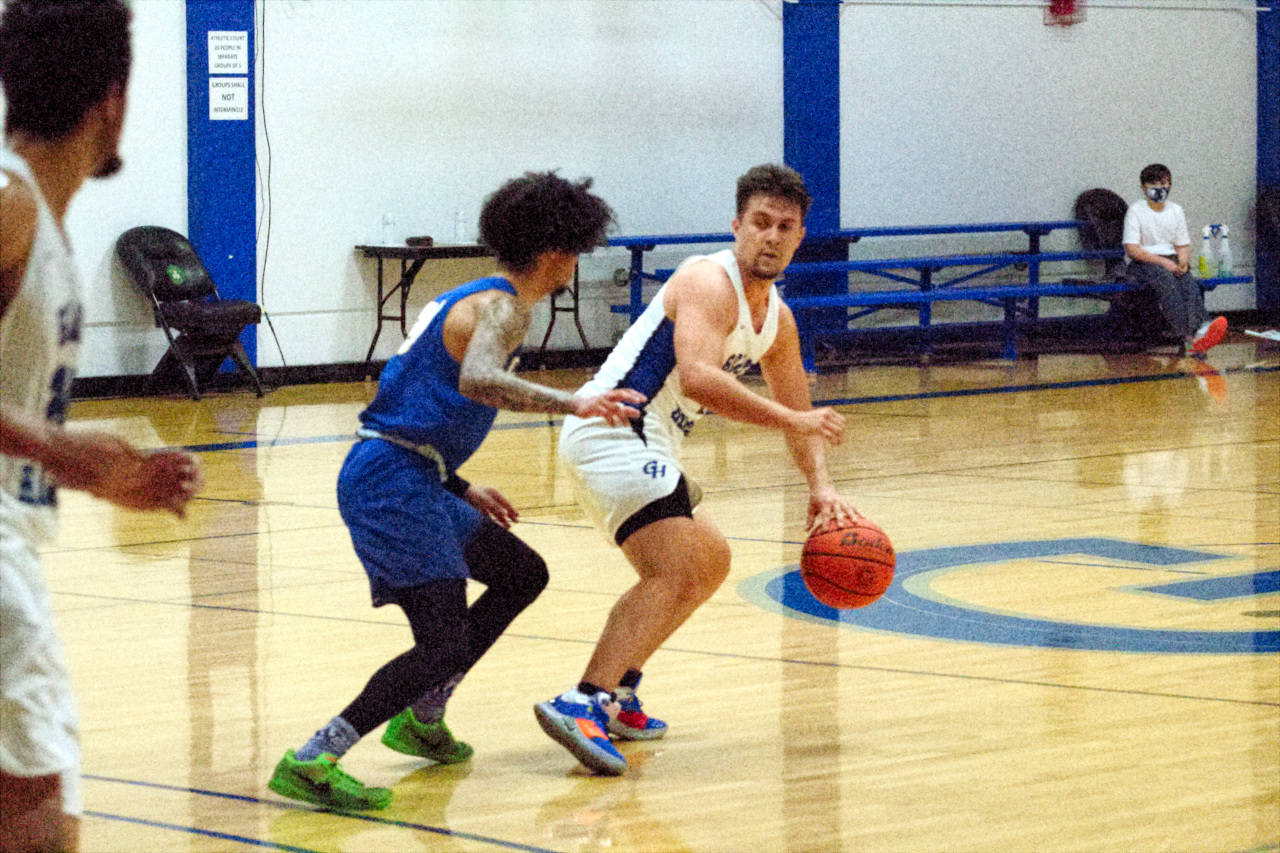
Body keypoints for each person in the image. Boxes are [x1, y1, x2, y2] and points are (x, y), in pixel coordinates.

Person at [267, 171, 645, 811]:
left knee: (521, 573)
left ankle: (423, 716)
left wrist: (457, 482)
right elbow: (478, 381)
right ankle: (315, 756)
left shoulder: (473, 298)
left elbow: (417, 396)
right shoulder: (501, 307)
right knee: (440, 642)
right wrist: (575, 403)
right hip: (391, 483)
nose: (577, 264)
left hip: (414, 472)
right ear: (558, 251)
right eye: (578, 250)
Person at [535, 163, 859, 776]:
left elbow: (799, 405)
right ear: (737, 226)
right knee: (681, 563)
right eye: (760, 222)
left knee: (706, 562)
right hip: (613, 431)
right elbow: (699, 377)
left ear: (799, 238)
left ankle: (619, 693)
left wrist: (821, 486)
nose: (771, 236)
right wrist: (793, 423)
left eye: (784, 227)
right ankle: (582, 700)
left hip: (643, 443)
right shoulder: (707, 280)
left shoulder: (778, 320)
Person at [0, 2, 203, 850]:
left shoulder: (38, 218)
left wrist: (98, 470)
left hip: (16, 530)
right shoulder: (9, 200)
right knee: (39, 814)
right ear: (112, 99)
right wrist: (61, 453)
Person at [1122, 163, 1227, 355]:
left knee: (1188, 284)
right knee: (1166, 282)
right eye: (1153, 183)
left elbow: (1182, 244)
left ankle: (1198, 333)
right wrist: (1164, 262)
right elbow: (1132, 249)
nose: (1160, 188)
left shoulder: (1176, 210)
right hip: (1144, 263)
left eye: (1164, 183)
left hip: (1171, 260)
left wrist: (1183, 261)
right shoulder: (1136, 211)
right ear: (1143, 187)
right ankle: (1191, 336)